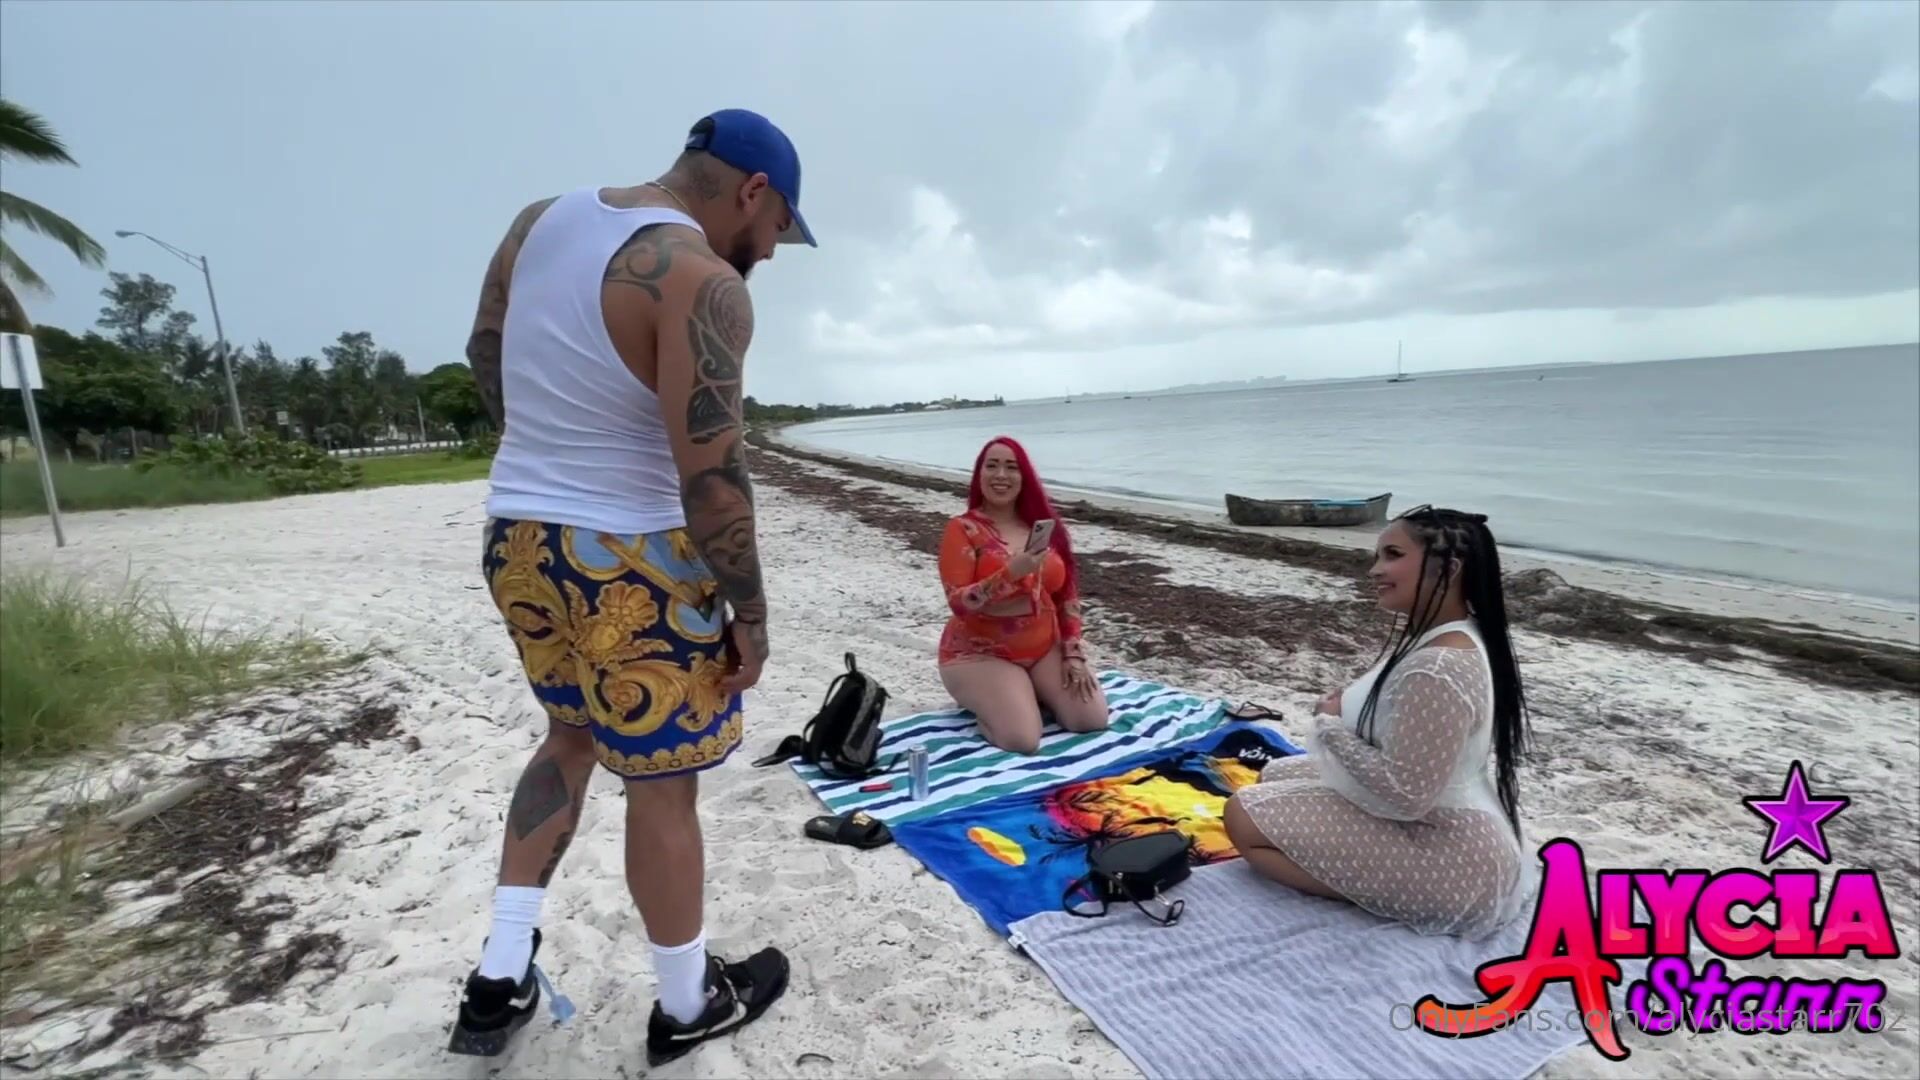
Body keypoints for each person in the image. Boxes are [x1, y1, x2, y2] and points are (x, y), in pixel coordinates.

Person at [447, 108, 816, 1066]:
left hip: (518, 537)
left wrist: (546, 452)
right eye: (777, 229)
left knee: (569, 737)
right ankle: (687, 1004)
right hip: (634, 554)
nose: (767, 253)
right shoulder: (704, 281)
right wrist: (751, 615)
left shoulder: (539, 221)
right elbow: (713, 476)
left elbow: (485, 349)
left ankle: (499, 975)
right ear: (754, 191)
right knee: (663, 786)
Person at [1223, 505, 1533, 938]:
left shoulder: (1438, 667)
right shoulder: (1452, 631)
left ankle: (1374, 893)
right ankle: (1374, 880)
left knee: (1241, 815)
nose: (1375, 570)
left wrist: (1330, 726)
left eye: (1393, 555)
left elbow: (1406, 795)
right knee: (1274, 773)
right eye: (1378, 555)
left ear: (1449, 569)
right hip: (1445, 820)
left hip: (1452, 855)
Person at [937, 437, 1109, 754]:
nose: (1001, 475)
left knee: (1091, 719)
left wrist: (1072, 652)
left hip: (1043, 648)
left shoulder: (1043, 527)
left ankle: (1026, 690)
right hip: (980, 653)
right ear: (979, 474)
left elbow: (1067, 594)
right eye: (992, 466)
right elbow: (959, 603)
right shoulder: (963, 529)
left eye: (1011, 467)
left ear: (1024, 476)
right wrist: (1010, 574)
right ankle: (989, 704)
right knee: (1022, 740)